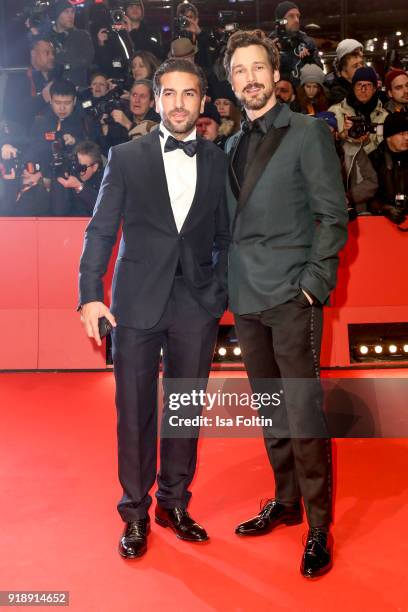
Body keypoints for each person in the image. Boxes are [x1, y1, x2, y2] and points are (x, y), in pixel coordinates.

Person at [78, 58, 229, 559]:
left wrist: (218, 292)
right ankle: (135, 512)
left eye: (190, 94)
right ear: (157, 98)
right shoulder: (126, 157)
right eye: (170, 94)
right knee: (134, 412)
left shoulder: (217, 159)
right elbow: (101, 229)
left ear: (202, 102)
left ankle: (173, 503)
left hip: (195, 304)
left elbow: (227, 236)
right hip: (135, 303)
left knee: (184, 412)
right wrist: (90, 294)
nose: (180, 103)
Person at [223, 29, 348, 578]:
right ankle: (287, 500)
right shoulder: (229, 144)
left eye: (257, 68)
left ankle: (319, 524)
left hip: (291, 296)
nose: (249, 78)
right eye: (238, 71)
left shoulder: (306, 133)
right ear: (230, 82)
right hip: (246, 298)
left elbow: (333, 214)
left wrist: (314, 284)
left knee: (302, 411)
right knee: (270, 409)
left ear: (276, 74)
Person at [269, 1, 322, 87]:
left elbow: (319, 72)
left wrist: (310, 62)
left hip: (302, 95)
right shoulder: (269, 44)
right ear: (281, 21)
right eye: (291, 16)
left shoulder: (307, 42)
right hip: (279, 93)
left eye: (298, 16)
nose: (296, 20)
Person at [369, 112, 408, 225]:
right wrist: (384, 209)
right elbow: (366, 196)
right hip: (381, 223)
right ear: (389, 137)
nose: (407, 137)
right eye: (402, 133)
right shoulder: (374, 159)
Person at [47, 0, 94, 88]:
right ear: (57, 15)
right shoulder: (47, 37)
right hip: (54, 89)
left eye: (72, 12)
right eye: (66, 12)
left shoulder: (82, 35)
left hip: (77, 88)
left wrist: (62, 64)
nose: (71, 15)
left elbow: (87, 59)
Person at [326, 39, 364, 105]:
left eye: (361, 63)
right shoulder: (337, 92)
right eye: (356, 52)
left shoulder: (361, 84)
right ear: (344, 72)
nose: (361, 67)